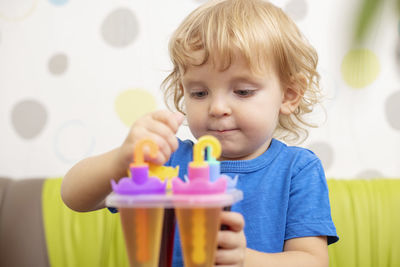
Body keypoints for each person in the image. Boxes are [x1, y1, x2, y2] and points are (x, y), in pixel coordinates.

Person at [61, 0, 338, 266]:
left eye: (243, 91)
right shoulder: (167, 161)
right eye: (199, 93)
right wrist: (123, 159)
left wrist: (245, 260)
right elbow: (74, 196)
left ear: (289, 95)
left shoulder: (298, 170)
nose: (217, 108)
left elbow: (312, 261)